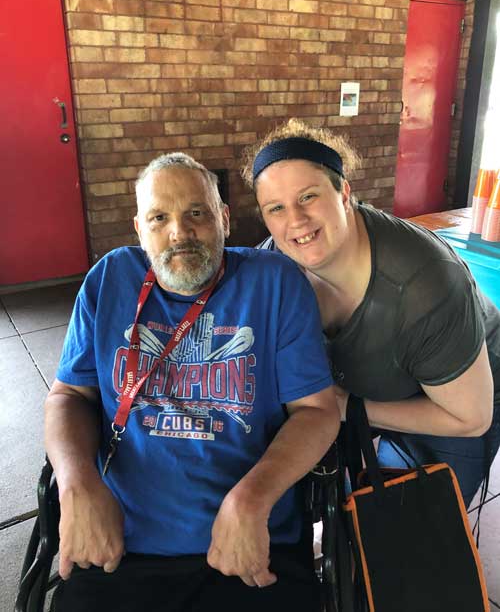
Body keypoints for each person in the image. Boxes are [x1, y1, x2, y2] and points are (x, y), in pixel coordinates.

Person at [45, 152, 340, 612]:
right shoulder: (109, 280)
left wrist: (252, 499)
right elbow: (68, 396)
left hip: (249, 541)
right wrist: (76, 485)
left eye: (196, 213)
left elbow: (318, 411)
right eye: (159, 217)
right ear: (139, 228)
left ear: (224, 219)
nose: (179, 232)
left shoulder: (274, 282)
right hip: (119, 544)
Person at [240, 118, 500, 508]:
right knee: (332, 500)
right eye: (276, 208)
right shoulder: (274, 266)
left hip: (455, 394)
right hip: (360, 384)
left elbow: (469, 418)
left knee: (416, 523)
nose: (295, 220)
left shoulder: (422, 283)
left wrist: (345, 408)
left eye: (308, 197)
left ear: (344, 193)